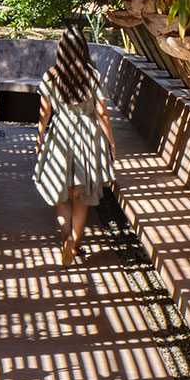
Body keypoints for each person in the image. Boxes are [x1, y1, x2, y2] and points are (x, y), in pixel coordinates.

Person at [33, 25, 117, 264]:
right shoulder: (92, 74)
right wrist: (110, 142)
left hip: (61, 133)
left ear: (61, 49)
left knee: (62, 195)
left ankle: (66, 237)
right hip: (88, 136)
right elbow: (102, 113)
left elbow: (45, 112)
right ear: (83, 48)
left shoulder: (51, 75)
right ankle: (76, 243)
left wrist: (40, 139)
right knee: (81, 195)